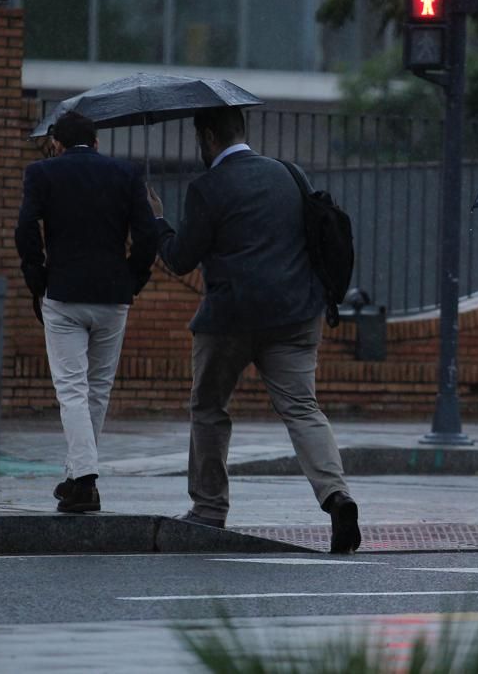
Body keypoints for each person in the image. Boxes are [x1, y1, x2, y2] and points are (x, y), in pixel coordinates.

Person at [149, 106, 361, 554]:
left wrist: (156, 223)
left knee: (209, 408)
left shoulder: (207, 188)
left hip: (231, 318)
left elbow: (181, 258)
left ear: (207, 137)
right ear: (241, 132)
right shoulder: (290, 174)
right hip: (297, 313)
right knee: (302, 407)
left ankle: (209, 508)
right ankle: (336, 496)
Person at [15, 110, 160, 513]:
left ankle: (84, 478)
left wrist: (37, 278)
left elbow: (26, 227)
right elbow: (148, 234)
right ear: (96, 143)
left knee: (72, 389)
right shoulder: (126, 174)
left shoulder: (42, 173)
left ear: (57, 144)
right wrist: (133, 278)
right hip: (114, 296)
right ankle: (78, 480)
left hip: (63, 293)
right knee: (97, 390)